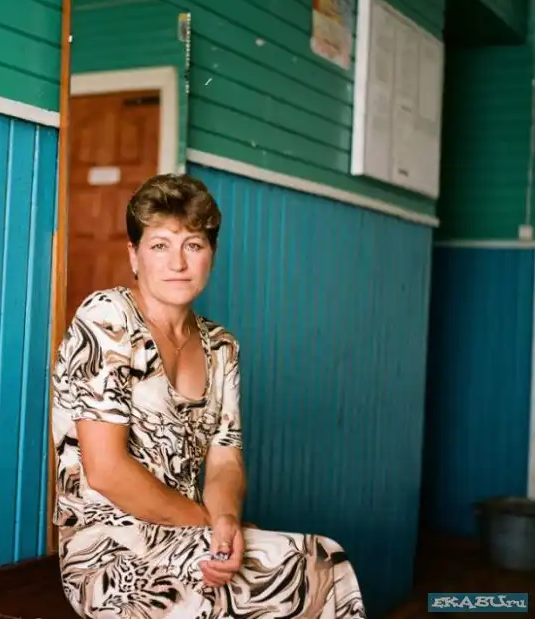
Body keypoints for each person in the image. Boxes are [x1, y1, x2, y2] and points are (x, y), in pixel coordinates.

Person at [51, 174, 367, 618]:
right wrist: (211, 524)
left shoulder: (222, 347)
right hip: (108, 552)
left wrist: (225, 521)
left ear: (211, 256)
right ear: (134, 256)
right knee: (240, 595)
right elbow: (106, 471)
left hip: (190, 535)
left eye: (193, 245)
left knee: (323, 561)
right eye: (160, 245)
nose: (178, 262)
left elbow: (225, 462)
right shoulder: (107, 318)